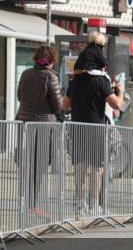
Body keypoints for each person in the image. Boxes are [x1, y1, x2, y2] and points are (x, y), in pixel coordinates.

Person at [63, 44, 123, 215]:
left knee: (80, 166)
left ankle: (79, 203)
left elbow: (65, 104)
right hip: (97, 130)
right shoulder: (101, 81)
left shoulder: (75, 82)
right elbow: (116, 104)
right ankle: (94, 204)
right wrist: (120, 92)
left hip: (77, 129)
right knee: (97, 167)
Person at [16, 45, 64, 218]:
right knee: (40, 165)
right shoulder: (51, 76)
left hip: (25, 121)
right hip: (44, 124)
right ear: (52, 60)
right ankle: (32, 205)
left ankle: (27, 203)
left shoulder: (25, 74)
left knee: (29, 163)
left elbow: (19, 97)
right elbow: (58, 105)